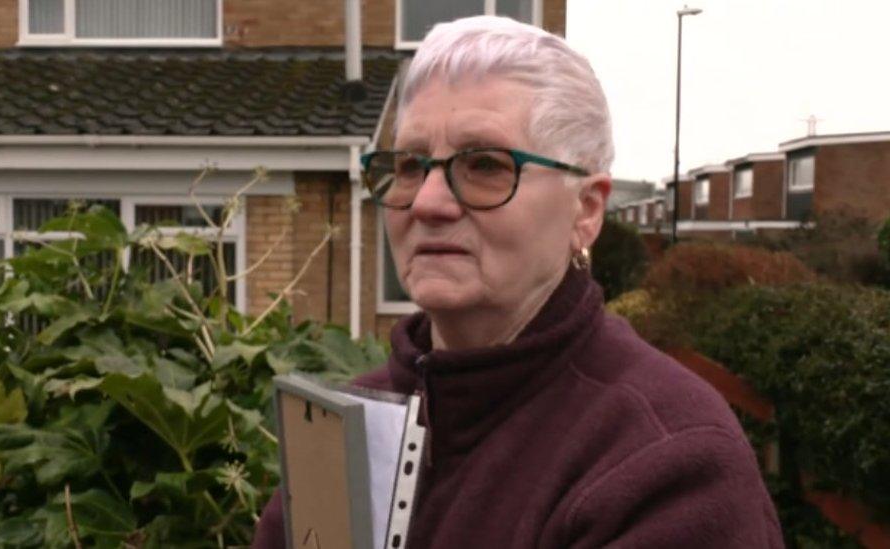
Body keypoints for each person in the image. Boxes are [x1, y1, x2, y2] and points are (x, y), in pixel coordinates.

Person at [253, 15, 783, 548]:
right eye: (411, 165)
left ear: (586, 210)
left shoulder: (665, 462)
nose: (428, 202)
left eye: (484, 164)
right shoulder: (352, 425)